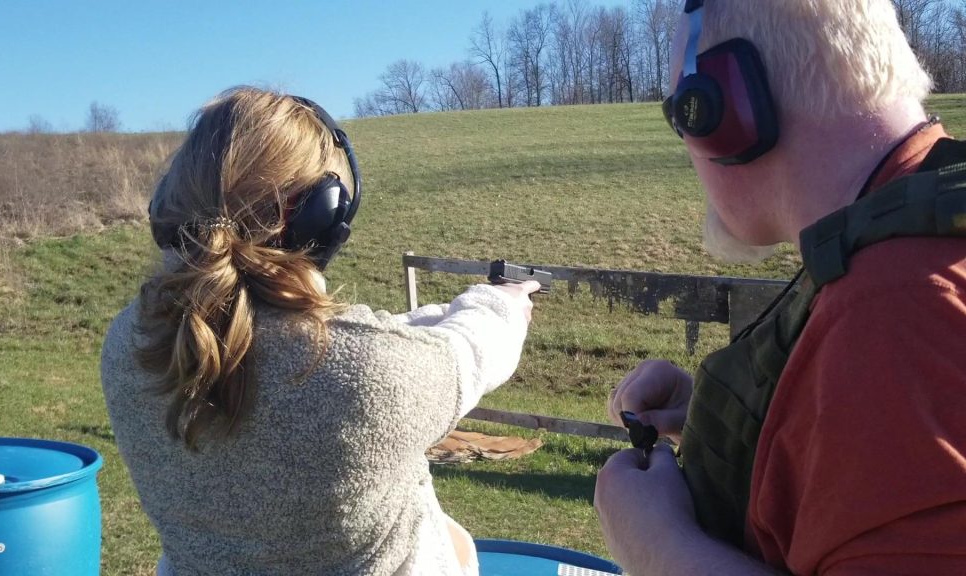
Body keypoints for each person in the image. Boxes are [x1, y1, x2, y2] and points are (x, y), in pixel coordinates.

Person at [101, 87, 539, 576]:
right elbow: (472, 350)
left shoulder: (128, 344)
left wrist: (427, 317)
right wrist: (502, 302)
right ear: (323, 216)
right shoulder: (370, 375)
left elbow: (283, 346)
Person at [596, 1, 966, 574]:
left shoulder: (896, 309)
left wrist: (654, 542)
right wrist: (768, 423)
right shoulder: (908, 243)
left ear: (724, 112)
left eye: (682, 114)